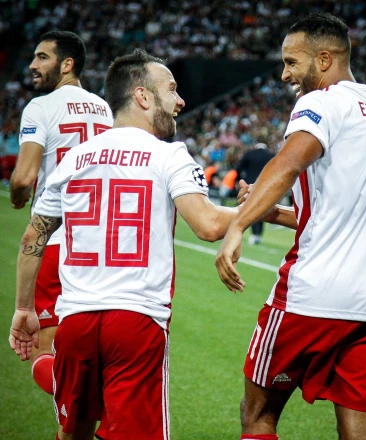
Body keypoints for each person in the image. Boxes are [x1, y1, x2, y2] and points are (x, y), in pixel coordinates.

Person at [9, 49, 297, 440]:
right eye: (172, 89)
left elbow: (33, 236)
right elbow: (209, 225)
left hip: (75, 321)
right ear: (142, 97)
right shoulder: (169, 154)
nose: (181, 101)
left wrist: (24, 308)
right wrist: (259, 209)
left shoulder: (74, 158)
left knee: (73, 431)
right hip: (136, 321)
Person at [216, 13, 366, 440]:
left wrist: (238, 226)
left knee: (257, 413)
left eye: (291, 62)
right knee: (358, 430)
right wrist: (273, 213)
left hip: (315, 294)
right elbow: (346, 211)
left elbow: (287, 163)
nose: (285, 75)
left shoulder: (322, 101)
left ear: (323, 60)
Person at [9, 30, 113, 397]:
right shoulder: (106, 109)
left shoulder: (40, 107)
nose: (32, 65)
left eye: (42, 57)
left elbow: (24, 178)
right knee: (95, 352)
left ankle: (89, 405)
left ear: (67, 64)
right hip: (100, 246)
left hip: (56, 243)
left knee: (47, 353)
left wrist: (18, 197)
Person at [236, 142, 275, 244]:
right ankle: (258, 234)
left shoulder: (249, 154)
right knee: (261, 209)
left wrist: (240, 180)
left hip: (250, 185)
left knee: (251, 208)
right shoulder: (271, 155)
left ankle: (253, 233)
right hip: (266, 185)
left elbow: (238, 168)